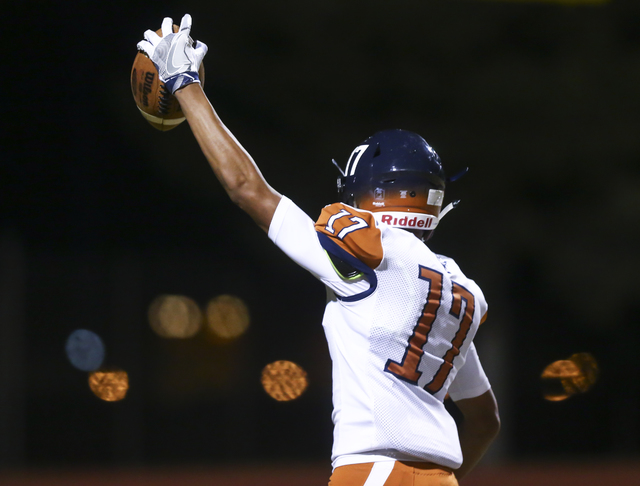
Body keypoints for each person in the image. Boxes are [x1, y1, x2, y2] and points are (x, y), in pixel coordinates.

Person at [137, 14, 500, 486]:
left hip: (370, 471)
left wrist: (186, 85)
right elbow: (486, 421)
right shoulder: (460, 292)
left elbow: (248, 189)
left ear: (370, 195)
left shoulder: (371, 253)